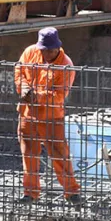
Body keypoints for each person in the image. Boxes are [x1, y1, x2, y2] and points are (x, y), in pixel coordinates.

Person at [14, 27, 83, 205]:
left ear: (57, 47)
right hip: (28, 115)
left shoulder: (66, 65)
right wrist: (23, 88)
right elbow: (19, 72)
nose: (46, 54)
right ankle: (30, 193)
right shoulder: (30, 52)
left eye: (50, 51)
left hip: (51, 117)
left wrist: (37, 96)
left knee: (60, 155)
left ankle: (72, 192)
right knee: (29, 154)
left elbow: (59, 95)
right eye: (43, 50)